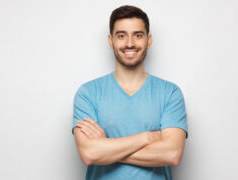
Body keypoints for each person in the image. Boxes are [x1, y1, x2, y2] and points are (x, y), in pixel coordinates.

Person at [72, 5, 188, 180]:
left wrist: (106, 148)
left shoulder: (170, 93)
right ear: (111, 41)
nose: (130, 43)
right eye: (121, 36)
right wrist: (148, 137)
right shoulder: (88, 93)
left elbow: (172, 154)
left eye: (138, 35)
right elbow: (89, 153)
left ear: (149, 41)